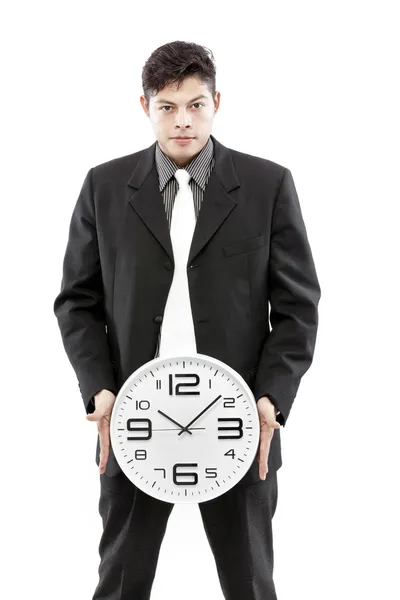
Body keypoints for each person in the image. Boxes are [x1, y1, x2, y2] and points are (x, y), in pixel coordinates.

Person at [53, 40, 321, 600]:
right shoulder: (103, 187)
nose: (182, 121)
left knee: (250, 583)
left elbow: (297, 306)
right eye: (167, 106)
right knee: (121, 581)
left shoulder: (267, 185)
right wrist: (99, 389)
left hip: (239, 418)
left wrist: (272, 397)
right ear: (144, 107)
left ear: (218, 101)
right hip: (134, 416)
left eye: (196, 105)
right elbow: (77, 301)